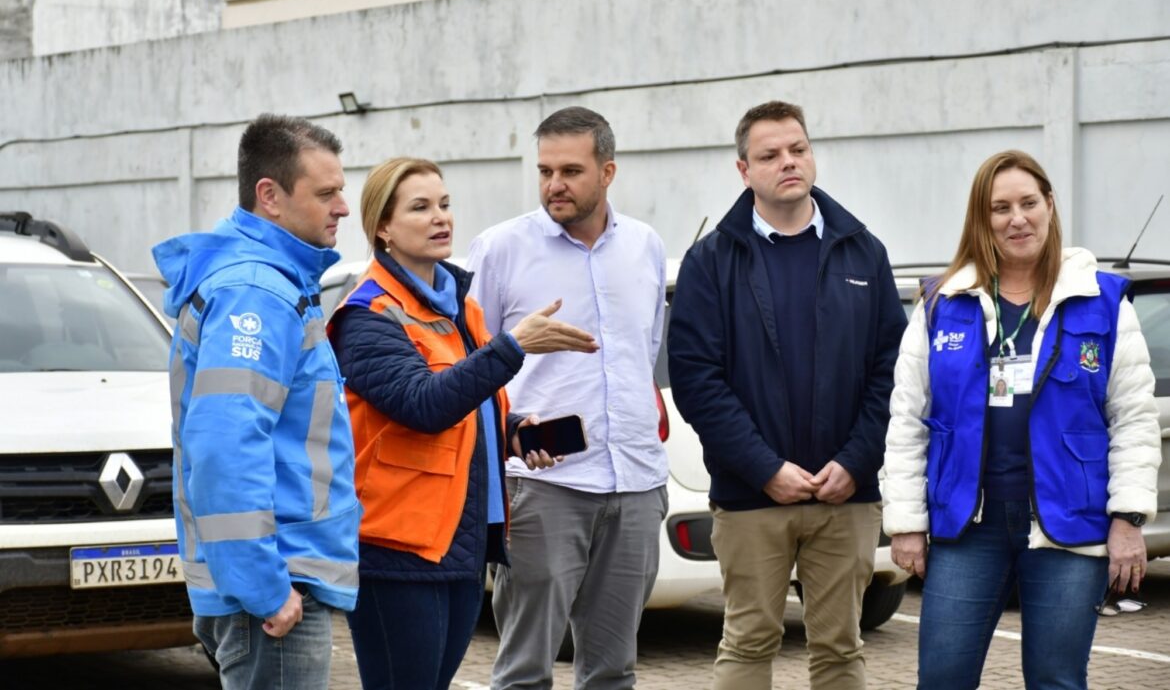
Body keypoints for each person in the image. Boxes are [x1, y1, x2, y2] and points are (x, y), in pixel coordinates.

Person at [882, 150, 1161, 689]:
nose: (1017, 219)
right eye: (1000, 208)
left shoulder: (1102, 302)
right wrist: (907, 522)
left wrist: (1128, 519)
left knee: (1056, 680)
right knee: (941, 678)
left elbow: (1133, 419)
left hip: (1069, 524)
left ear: (1050, 205)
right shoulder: (942, 303)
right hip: (968, 526)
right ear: (981, 218)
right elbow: (907, 420)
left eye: (1029, 203)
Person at [327, 156, 598, 690]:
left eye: (445, 204)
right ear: (383, 228)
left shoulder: (458, 305)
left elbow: (467, 403)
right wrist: (514, 346)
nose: (440, 217)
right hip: (399, 548)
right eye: (420, 207)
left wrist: (512, 430)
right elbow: (424, 404)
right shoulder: (368, 314)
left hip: (461, 541)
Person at [667, 100, 906, 690]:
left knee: (842, 650)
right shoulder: (710, 261)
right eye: (770, 155)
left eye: (798, 149)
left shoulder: (863, 252)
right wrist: (765, 469)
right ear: (744, 170)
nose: (788, 162)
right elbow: (697, 379)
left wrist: (856, 462)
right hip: (751, 497)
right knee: (748, 642)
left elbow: (893, 372)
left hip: (845, 496)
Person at [152, 114, 361, 690]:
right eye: (326, 193)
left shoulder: (269, 281)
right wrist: (264, 587)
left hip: (271, 578)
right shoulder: (256, 293)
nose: (343, 207)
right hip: (274, 589)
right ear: (270, 196)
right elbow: (224, 446)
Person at [467, 106, 669, 689]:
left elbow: (646, 349)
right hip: (543, 488)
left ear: (607, 172)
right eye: (545, 171)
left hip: (635, 484)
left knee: (613, 672)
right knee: (525, 671)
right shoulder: (500, 249)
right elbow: (470, 368)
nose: (555, 184)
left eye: (571, 171)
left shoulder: (645, 245)